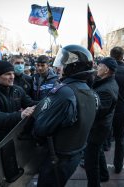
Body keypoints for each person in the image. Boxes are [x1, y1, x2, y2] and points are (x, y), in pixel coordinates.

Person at [32, 45, 98, 186]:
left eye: (63, 64)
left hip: (58, 157)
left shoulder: (64, 92)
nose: (58, 68)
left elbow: (41, 128)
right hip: (75, 153)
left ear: (73, 67)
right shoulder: (90, 91)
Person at [0, 60, 37, 156]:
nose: (12, 77)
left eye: (13, 73)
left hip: (14, 139)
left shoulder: (17, 90)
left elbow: (30, 103)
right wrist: (20, 115)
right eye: (7, 74)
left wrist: (50, 99)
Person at [84, 57, 119, 187]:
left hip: (98, 129)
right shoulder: (106, 82)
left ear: (106, 70)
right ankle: (104, 174)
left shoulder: (106, 89)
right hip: (102, 127)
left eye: (100, 65)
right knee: (97, 151)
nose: (97, 67)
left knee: (90, 162)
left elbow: (97, 112)